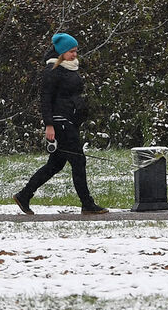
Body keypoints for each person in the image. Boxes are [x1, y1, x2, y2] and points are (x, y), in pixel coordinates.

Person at [13, 33, 109, 215]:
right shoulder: (52, 71)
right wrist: (49, 125)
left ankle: (24, 195)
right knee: (78, 161)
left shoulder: (69, 68)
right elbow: (45, 99)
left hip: (70, 121)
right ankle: (87, 204)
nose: (74, 55)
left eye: (76, 51)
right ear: (62, 52)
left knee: (55, 164)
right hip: (61, 122)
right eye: (71, 51)